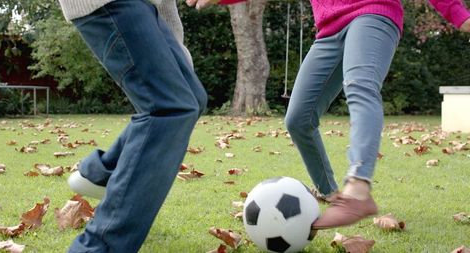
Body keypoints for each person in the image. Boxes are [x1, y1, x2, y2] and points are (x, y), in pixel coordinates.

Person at [190, 0, 470, 229]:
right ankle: (332, 194)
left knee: (360, 86)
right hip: (328, 30)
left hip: (373, 13)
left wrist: (459, 14)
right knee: (298, 118)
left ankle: (358, 190)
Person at [57, 0, 240, 252]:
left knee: (191, 100)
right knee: (170, 108)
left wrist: (175, 53)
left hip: (146, 7)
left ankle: (103, 174)